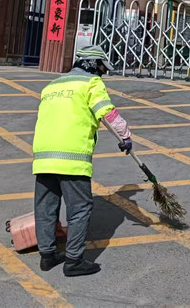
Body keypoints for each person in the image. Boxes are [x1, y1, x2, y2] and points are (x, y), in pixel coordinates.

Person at [32, 45, 133, 277]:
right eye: (102, 68)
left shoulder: (52, 86)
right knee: (80, 209)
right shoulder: (91, 83)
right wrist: (126, 137)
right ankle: (74, 260)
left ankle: (47, 255)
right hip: (72, 158)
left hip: (43, 158)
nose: (103, 73)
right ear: (93, 64)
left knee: (46, 208)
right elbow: (108, 113)